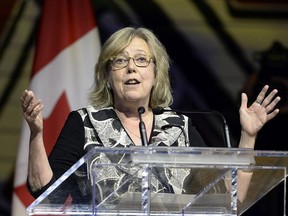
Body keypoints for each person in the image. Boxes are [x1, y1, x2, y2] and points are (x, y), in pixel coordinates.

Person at [21, 27, 281, 206]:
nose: (131, 67)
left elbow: (231, 197)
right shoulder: (85, 123)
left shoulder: (179, 128)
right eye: (120, 61)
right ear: (108, 77)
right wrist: (36, 134)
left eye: (141, 60)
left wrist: (248, 136)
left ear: (156, 74)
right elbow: (44, 190)